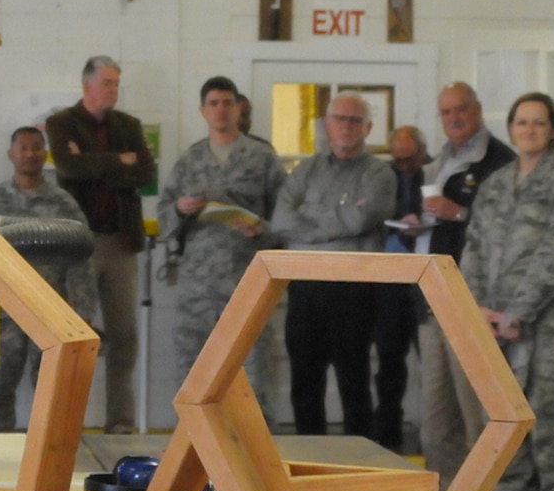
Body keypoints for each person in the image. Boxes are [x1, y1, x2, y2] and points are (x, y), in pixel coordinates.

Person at [459, 93, 554, 491]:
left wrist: (515, 314)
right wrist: (475, 309)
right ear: (510, 128)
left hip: (547, 327)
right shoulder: (494, 185)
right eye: (521, 121)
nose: (529, 129)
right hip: (493, 325)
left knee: (549, 422)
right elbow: (471, 247)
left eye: (539, 122)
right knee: (506, 418)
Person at [268, 92, 394, 438]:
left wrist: (307, 217)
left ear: (368, 127)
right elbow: (281, 220)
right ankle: (309, 464)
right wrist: (341, 215)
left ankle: (358, 469)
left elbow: (362, 220)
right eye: (340, 118)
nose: (346, 126)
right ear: (327, 122)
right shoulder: (306, 169)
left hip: (353, 289)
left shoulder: (379, 173)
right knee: (304, 384)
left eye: (355, 120)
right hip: (305, 287)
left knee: (353, 382)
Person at [156, 78, 285, 404]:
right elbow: (164, 217)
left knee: (255, 365)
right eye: (213, 104)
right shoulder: (190, 160)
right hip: (197, 283)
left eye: (228, 103)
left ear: (239, 107)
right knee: (194, 368)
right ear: (203, 110)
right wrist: (180, 208)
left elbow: (286, 218)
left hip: (248, 277)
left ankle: (256, 446)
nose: (221, 110)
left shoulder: (262, 157)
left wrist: (262, 229)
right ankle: (192, 445)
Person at [45, 56, 154, 434]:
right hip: (80, 244)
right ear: (86, 85)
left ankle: (121, 424)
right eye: (107, 82)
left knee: (124, 335)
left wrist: (93, 162)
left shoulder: (129, 126)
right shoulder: (62, 124)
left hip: (121, 242)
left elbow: (144, 171)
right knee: (75, 334)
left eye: (116, 82)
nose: (113, 89)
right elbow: (68, 169)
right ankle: (63, 423)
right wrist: (116, 162)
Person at [415, 82, 515, 486]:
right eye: (447, 113)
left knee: (476, 411)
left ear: (478, 110)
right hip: (432, 296)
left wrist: (458, 213)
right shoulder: (440, 161)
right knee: (435, 414)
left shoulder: (501, 162)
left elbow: (508, 230)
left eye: (461, 110)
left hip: (474, 301)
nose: (454, 119)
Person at [0, 127, 97, 432]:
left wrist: (81, 315)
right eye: (23, 148)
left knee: (52, 392)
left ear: (45, 154)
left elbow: (81, 261)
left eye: (37, 148)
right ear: (11, 155)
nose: (30, 154)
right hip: (4, 313)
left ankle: (49, 454)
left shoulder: (63, 204)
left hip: (50, 310)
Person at [372, 124, 429, 453]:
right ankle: (388, 430)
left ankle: (430, 429)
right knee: (389, 357)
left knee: (432, 358)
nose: (405, 166)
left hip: (427, 274)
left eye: (410, 159)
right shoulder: (385, 175)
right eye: (399, 159)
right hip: (391, 276)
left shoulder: (434, 171)